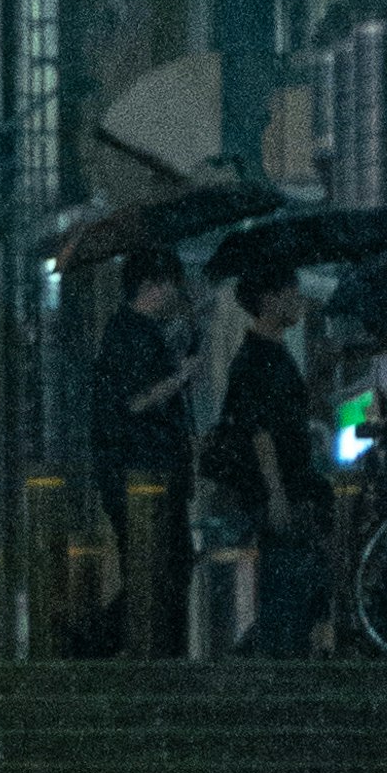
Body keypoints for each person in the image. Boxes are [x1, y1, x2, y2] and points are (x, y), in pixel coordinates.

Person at [202, 265, 324, 656]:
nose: (299, 301)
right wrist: (276, 495)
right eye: (292, 291)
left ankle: (276, 654)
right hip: (276, 487)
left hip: (288, 483)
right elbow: (261, 433)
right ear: (269, 300)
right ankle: (274, 662)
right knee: (286, 583)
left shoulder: (272, 354)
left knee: (291, 584)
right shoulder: (257, 358)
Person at [90, 248, 199, 655]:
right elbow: (135, 400)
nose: (178, 292)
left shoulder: (145, 331)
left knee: (166, 566)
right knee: (154, 570)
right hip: (139, 475)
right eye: (173, 283)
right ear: (151, 285)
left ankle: (121, 644)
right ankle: (99, 640)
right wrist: (181, 377)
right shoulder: (127, 333)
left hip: (155, 472)